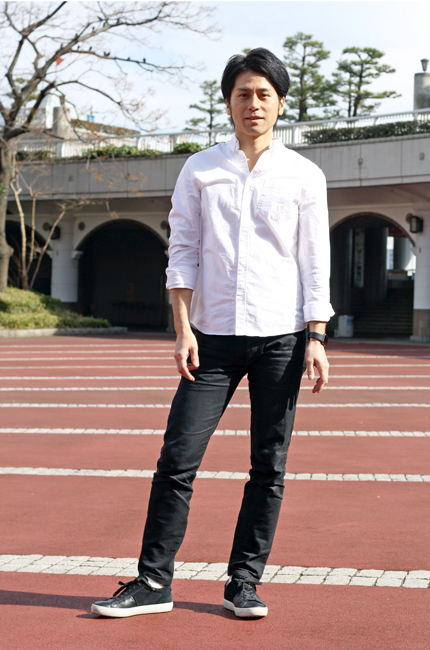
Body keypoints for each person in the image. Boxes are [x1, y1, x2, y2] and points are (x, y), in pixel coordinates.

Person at [92, 47, 334, 620]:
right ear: (228, 102)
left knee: (268, 466)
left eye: (264, 94)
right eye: (243, 93)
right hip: (212, 338)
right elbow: (182, 252)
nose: (253, 104)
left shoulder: (304, 175)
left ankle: (243, 583)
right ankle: (154, 582)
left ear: (280, 104)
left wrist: (317, 336)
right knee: (177, 458)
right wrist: (183, 330)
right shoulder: (200, 169)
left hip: (281, 339)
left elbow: (315, 259)